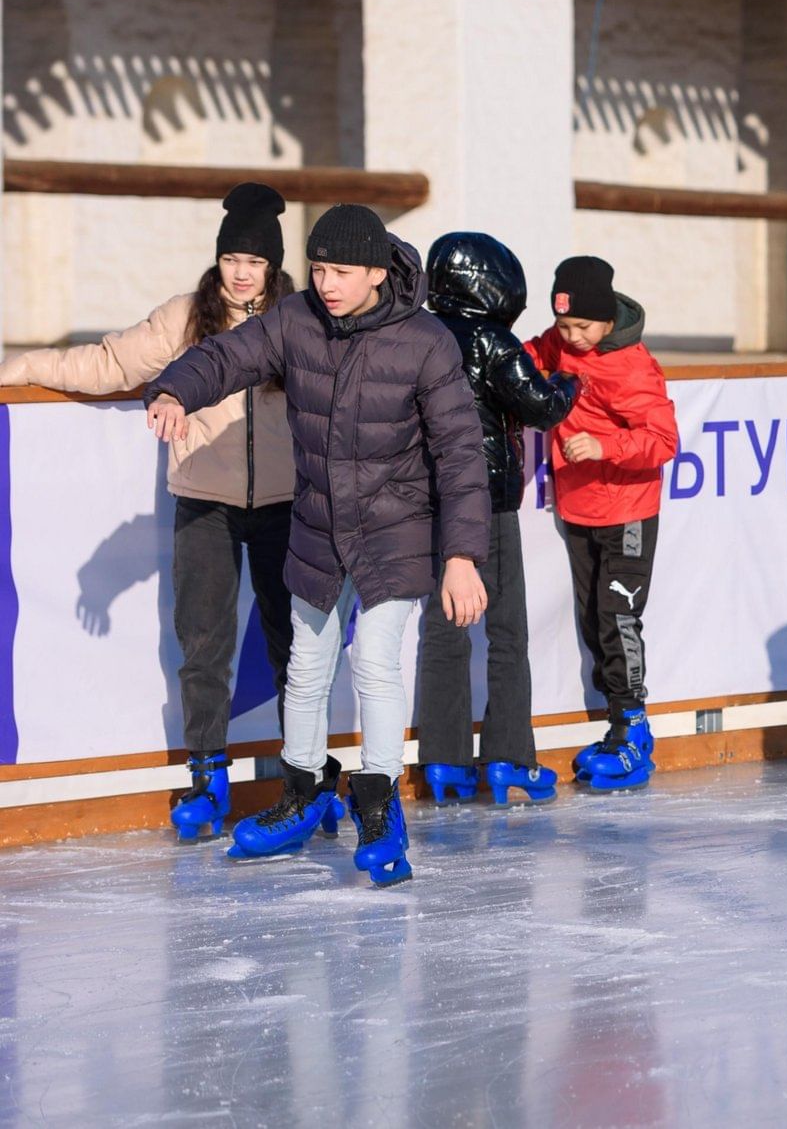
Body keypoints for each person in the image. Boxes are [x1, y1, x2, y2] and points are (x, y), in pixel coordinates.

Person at [147, 205, 491, 887]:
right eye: (319, 269)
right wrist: (175, 388)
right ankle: (303, 792)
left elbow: (459, 453)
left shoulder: (424, 340)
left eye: (340, 271)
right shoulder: (297, 319)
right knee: (306, 666)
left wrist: (460, 555)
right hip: (318, 524)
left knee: (376, 668)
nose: (326, 282)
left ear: (374, 272)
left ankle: (379, 803)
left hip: (395, 530)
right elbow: (228, 355)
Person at [0, 184, 296, 843]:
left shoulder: (295, 319)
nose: (242, 271)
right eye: (232, 258)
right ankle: (206, 775)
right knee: (204, 642)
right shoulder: (186, 317)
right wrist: (21, 367)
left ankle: (300, 776)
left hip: (283, 505)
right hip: (205, 502)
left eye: (254, 260)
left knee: (294, 643)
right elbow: (110, 362)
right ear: (218, 260)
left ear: (272, 266)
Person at [415, 233, 580, 807]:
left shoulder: (419, 334)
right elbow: (542, 406)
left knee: (443, 632)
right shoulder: (492, 341)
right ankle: (509, 756)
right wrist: (568, 381)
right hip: (488, 503)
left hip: (434, 501)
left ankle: (444, 761)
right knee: (506, 630)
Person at [526, 256, 681, 792]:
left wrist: (604, 444)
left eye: (582, 327)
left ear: (608, 321)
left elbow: (664, 442)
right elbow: (530, 356)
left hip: (627, 511)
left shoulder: (633, 367)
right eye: (564, 325)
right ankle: (617, 723)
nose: (570, 337)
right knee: (593, 618)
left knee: (619, 619)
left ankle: (634, 729)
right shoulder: (561, 341)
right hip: (578, 506)